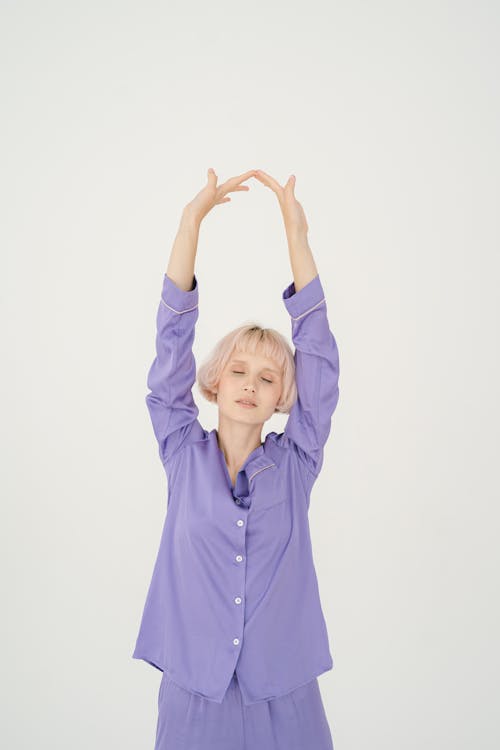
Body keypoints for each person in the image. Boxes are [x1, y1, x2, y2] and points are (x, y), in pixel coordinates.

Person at [132, 168, 341, 749]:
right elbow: (169, 350)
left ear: (282, 399)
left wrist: (297, 239)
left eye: (269, 377)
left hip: (285, 693)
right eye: (240, 371)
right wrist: (189, 225)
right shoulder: (181, 451)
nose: (251, 385)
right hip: (194, 694)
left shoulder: (297, 463)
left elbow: (320, 358)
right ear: (215, 383)